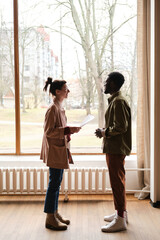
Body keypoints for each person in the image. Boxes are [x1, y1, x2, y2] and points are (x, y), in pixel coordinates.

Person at [40, 77, 81, 231]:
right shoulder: (52, 109)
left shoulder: (59, 108)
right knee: (54, 184)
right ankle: (50, 218)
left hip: (60, 149)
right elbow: (49, 132)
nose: (68, 91)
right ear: (57, 92)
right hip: (55, 151)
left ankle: (54, 213)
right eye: (65, 89)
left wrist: (70, 130)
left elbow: (61, 129)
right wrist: (68, 130)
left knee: (56, 183)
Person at [95, 72, 132, 232]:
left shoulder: (118, 102)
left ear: (114, 84)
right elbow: (118, 125)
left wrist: (104, 132)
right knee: (118, 182)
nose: (105, 84)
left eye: (108, 81)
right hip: (115, 147)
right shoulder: (117, 101)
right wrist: (105, 131)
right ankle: (121, 213)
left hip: (116, 148)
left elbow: (120, 127)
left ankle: (120, 219)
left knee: (117, 184)